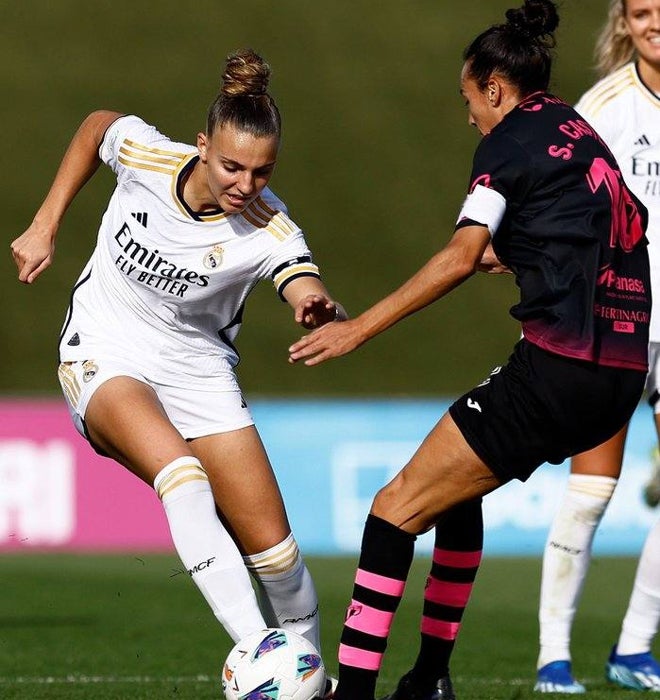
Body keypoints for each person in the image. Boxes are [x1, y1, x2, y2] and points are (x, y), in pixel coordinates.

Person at [287, 1, 652, 698]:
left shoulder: (506, 143)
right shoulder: (580, 131)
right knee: (459, 498)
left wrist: (357, 328)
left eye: (469, 98)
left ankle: (359, 690)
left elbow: (460, 257)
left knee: (394, 508)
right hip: (621, 374)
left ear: (494, 86)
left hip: (559, 370)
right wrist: (523, 258)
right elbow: (602, 228)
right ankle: (429, 679)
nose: (469, 116)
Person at [10, 48, 345, 693]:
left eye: (262, 170)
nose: (245, 185)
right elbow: (97, 125)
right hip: (104, 350)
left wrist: (312, 302)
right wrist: (45, 222)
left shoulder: (267, 225)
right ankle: (261, 659)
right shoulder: (148, 158)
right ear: (200, 147)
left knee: (277, 559)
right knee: (183, 478)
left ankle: (307, 682)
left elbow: (299, 278)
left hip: (200, 375)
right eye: (231, 166)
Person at [533, 0, 660, 692]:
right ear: (625, 23)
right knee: (591, 491)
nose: (655, 21)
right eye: (642, 11)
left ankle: (634, 646)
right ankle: (555, 652)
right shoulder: (604, 107)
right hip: (617, 320)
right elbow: (559, 202)